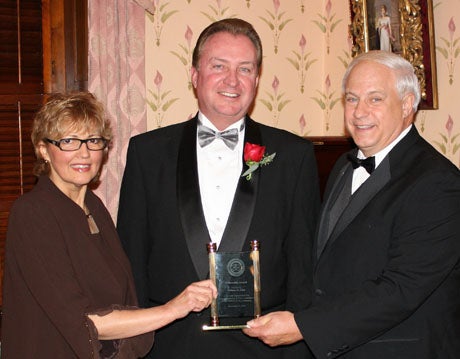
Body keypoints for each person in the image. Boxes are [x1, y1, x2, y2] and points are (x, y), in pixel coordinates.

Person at [117, 18, 320, 359]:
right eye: (218, 66)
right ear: (195, 76)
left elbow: (303, 265)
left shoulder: (293, 156)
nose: (232, 80)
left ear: (256, 79)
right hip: (169, 346)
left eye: (245, 69)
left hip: (261, 347)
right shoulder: (147, 153)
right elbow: (131, 259)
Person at [243, 50, 460, 358]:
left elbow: (401, 290)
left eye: (375, 99)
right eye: (352, 98)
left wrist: (305, 326)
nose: (359, 112)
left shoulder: (438, 182)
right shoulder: (345, 166)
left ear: (408, 105)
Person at [1, 92, 217, 358]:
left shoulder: (94, 207)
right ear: (44, 150)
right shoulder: (33, 213)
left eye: (93, 140)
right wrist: (173, 308)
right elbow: (84, 321)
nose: (84, 153)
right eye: (68, 141)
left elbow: (122, 299)